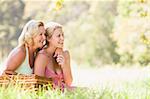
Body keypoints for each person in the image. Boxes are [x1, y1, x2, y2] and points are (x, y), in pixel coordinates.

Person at [34, 21, 73, 91]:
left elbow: (69, 82)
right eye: (58, 36)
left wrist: (64, 66)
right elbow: (38, 84)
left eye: (62, 35)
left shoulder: (65, 54)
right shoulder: (42, 56)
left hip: (65, 91)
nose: (62, 38)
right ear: (48, 38)